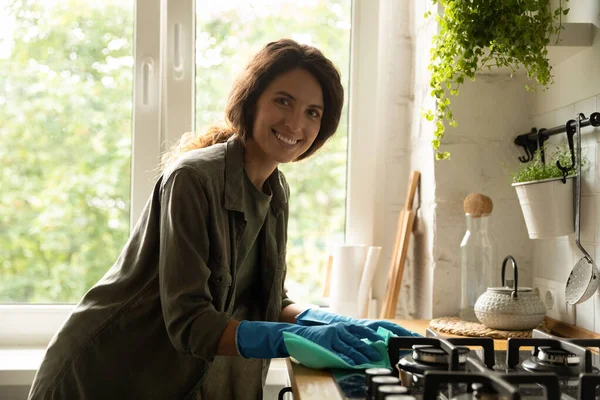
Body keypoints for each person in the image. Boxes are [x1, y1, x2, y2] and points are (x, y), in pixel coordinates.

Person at [28, 38, 418, 400]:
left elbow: (269, 299)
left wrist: (333, 322)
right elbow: (191, 322)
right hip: (104, 378)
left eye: (312, 112)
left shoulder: (275, 190)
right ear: (251, 102)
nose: (296, 123)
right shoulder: (192, 179)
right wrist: (297, 337)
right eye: (283, 101)